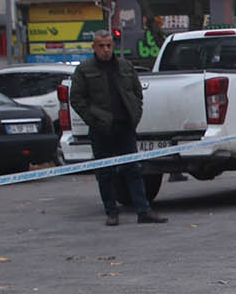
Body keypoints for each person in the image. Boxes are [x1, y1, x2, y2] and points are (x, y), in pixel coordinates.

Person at [69, 30, 166, 226]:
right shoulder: (84, 69)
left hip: (125, 127)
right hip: (101, 128)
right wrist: (93, 119)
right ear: (94, 48)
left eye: (109, 45)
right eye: (101, 46)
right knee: (105, 173)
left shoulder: (125, 66)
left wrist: (135, 115)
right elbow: (77, 98)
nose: (106, 50)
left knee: (134, 170)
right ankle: (111, 212)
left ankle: (143, 211)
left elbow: (137, 93)